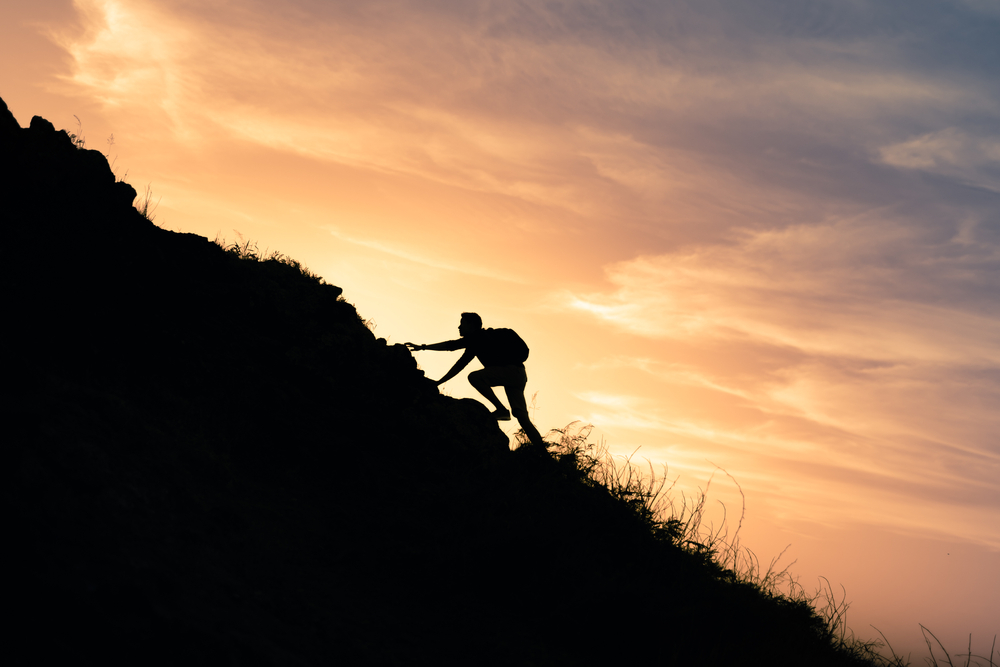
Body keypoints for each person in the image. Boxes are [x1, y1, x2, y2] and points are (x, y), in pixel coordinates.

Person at [406, 313, 544, 447]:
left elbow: (451, 345)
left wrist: (423, 347)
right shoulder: (477, 341)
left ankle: (501, 409)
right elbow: (459, 364)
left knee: (474, 377)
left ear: (472, 325)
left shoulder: (477, 338)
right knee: (522, 416)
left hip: (510, 371)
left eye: (462, 324)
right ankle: (544, 455)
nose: (459, 327)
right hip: (519, 374)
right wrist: (439, 381)